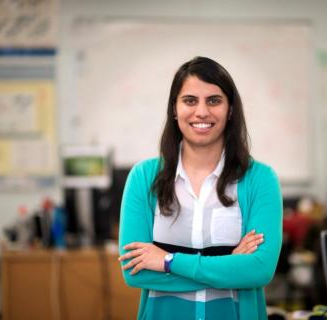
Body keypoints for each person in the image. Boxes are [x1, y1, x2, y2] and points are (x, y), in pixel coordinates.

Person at [118, 56, 282, 320]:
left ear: (230, 110)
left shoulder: (261, 179)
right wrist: (229, 263)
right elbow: (135, 271)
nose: (202, 112)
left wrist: (168, 262)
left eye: (214, 100)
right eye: (190, 100)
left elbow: (259, 270)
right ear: (174, 108)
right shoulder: (143, 177)